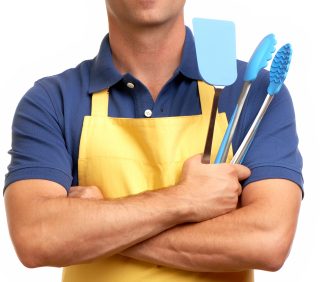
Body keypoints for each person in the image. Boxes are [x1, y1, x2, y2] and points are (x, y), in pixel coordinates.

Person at [4, 1, 303, 282]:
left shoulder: (253, 94)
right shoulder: (52, 101)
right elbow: (36, 237)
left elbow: (268, 241)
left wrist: (99, 227)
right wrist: (185, 199)